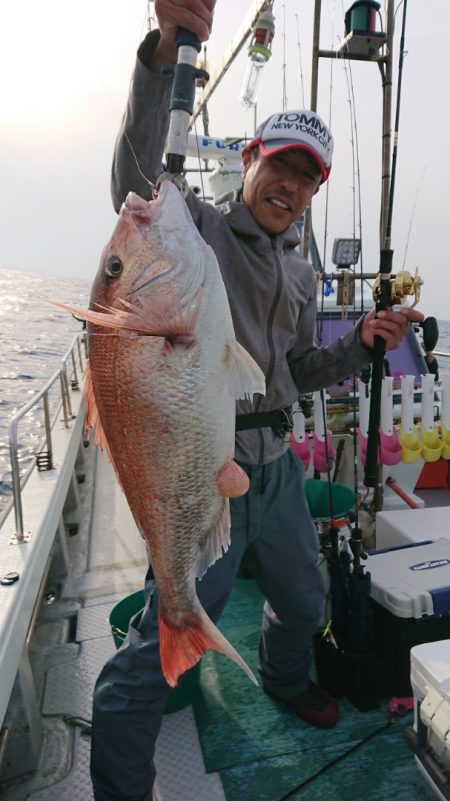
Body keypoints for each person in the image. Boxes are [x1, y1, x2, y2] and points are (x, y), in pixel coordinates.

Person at [90, 2, 424, 799]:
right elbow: (137, 179)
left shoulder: (302, 272)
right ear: (250, 159)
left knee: (303, 597)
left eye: (307, 175)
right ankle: (117, 777)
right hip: (202, 465)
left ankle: (284, 678)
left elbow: (300, 369)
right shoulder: (194, 228)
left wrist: (362, 345)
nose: (291, 184)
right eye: (280, 164)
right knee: (158, 638)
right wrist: (168, 47)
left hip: (274, 472)